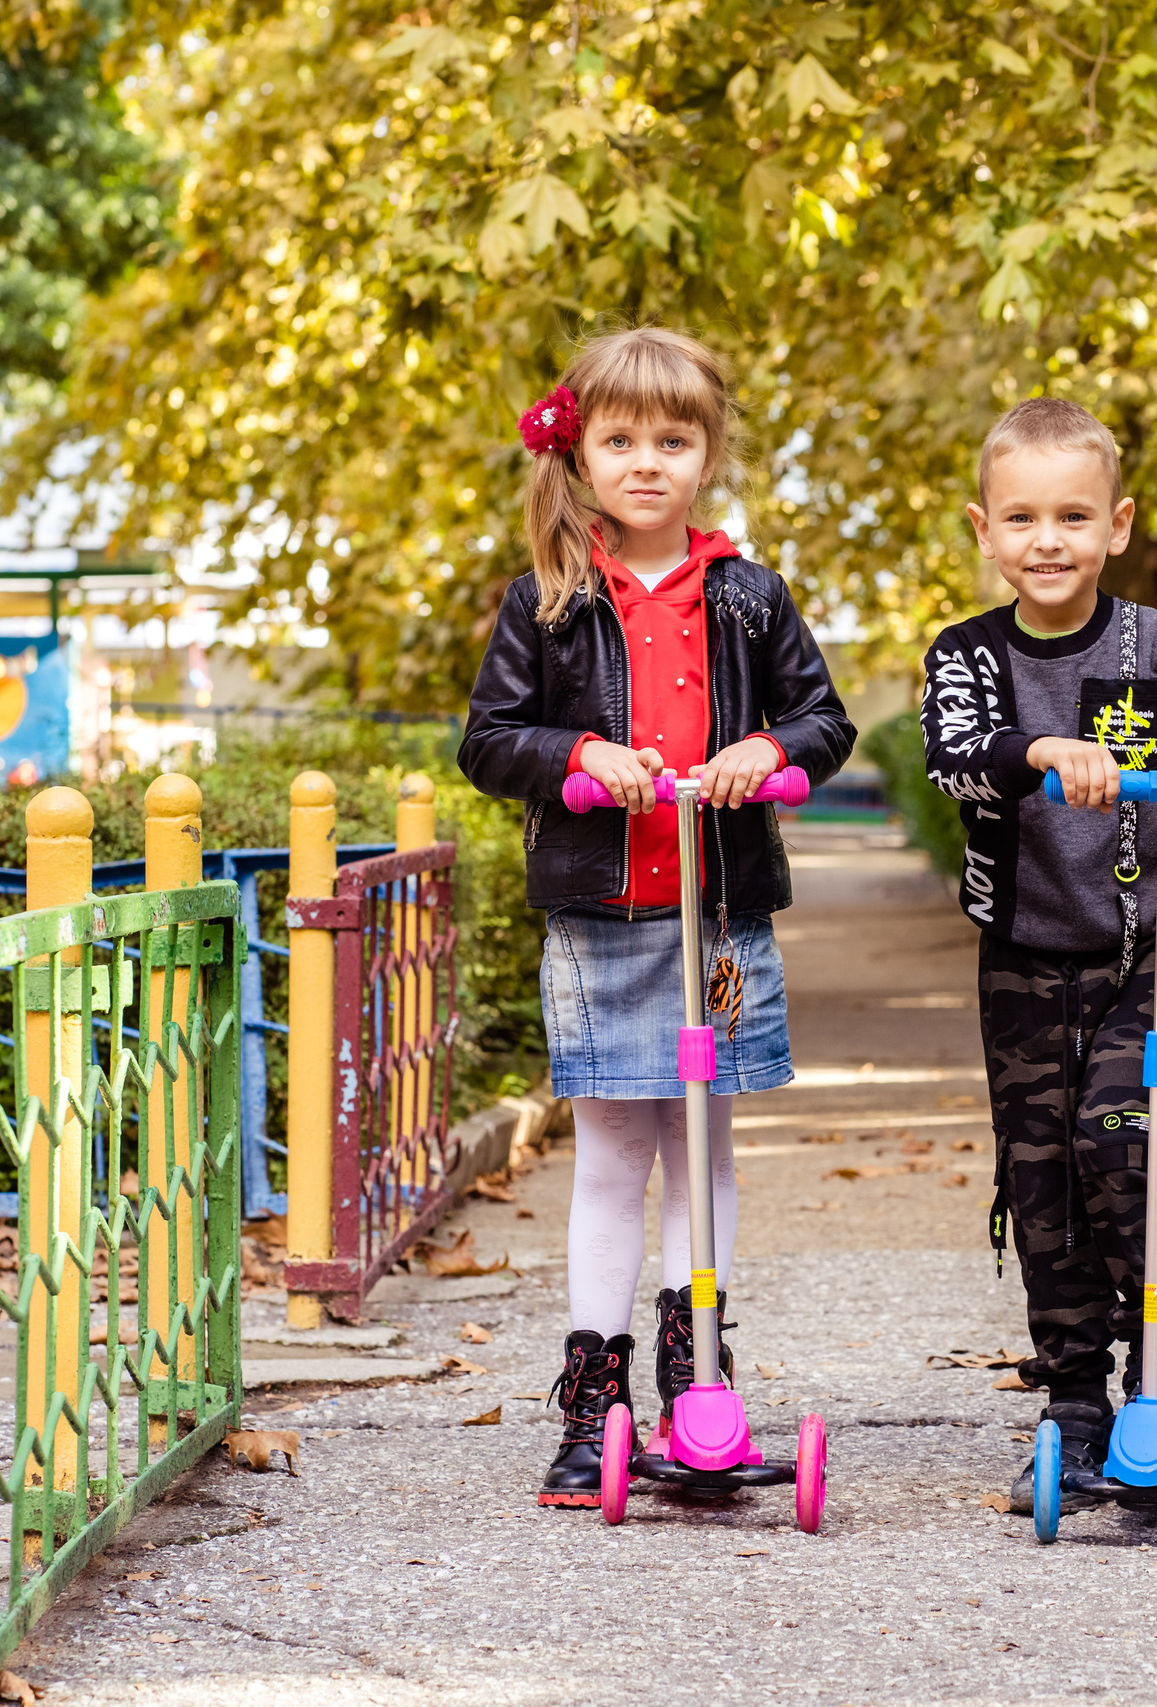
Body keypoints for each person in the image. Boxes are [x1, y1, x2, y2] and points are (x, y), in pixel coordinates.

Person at [459, 327, 855, 1508]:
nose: (646, 464)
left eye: (672, 442)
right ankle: (595, 1396)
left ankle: (702, 1371)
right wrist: (579, 752)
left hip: (718, 918)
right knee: (613, 1154)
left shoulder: (748, 595)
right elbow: (488, 741)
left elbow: (824, 720)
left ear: (707, 454)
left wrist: (768, 749)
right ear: (579, 454)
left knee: (705, 1146)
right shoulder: (547, 598)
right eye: (621, 440)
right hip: (599, 917)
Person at [919, 397, 1157, 1512]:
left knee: (1125, 1152)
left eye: (1074, 516)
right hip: (1023, 957)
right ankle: (1077, 1384)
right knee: (1041, 1175)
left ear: (1117, 525)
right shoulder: (969, 656)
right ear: (984, 531)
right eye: (1023, 517)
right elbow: (954, 756)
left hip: (1147, 962)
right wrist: (1037, 749)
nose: (1049, 540)